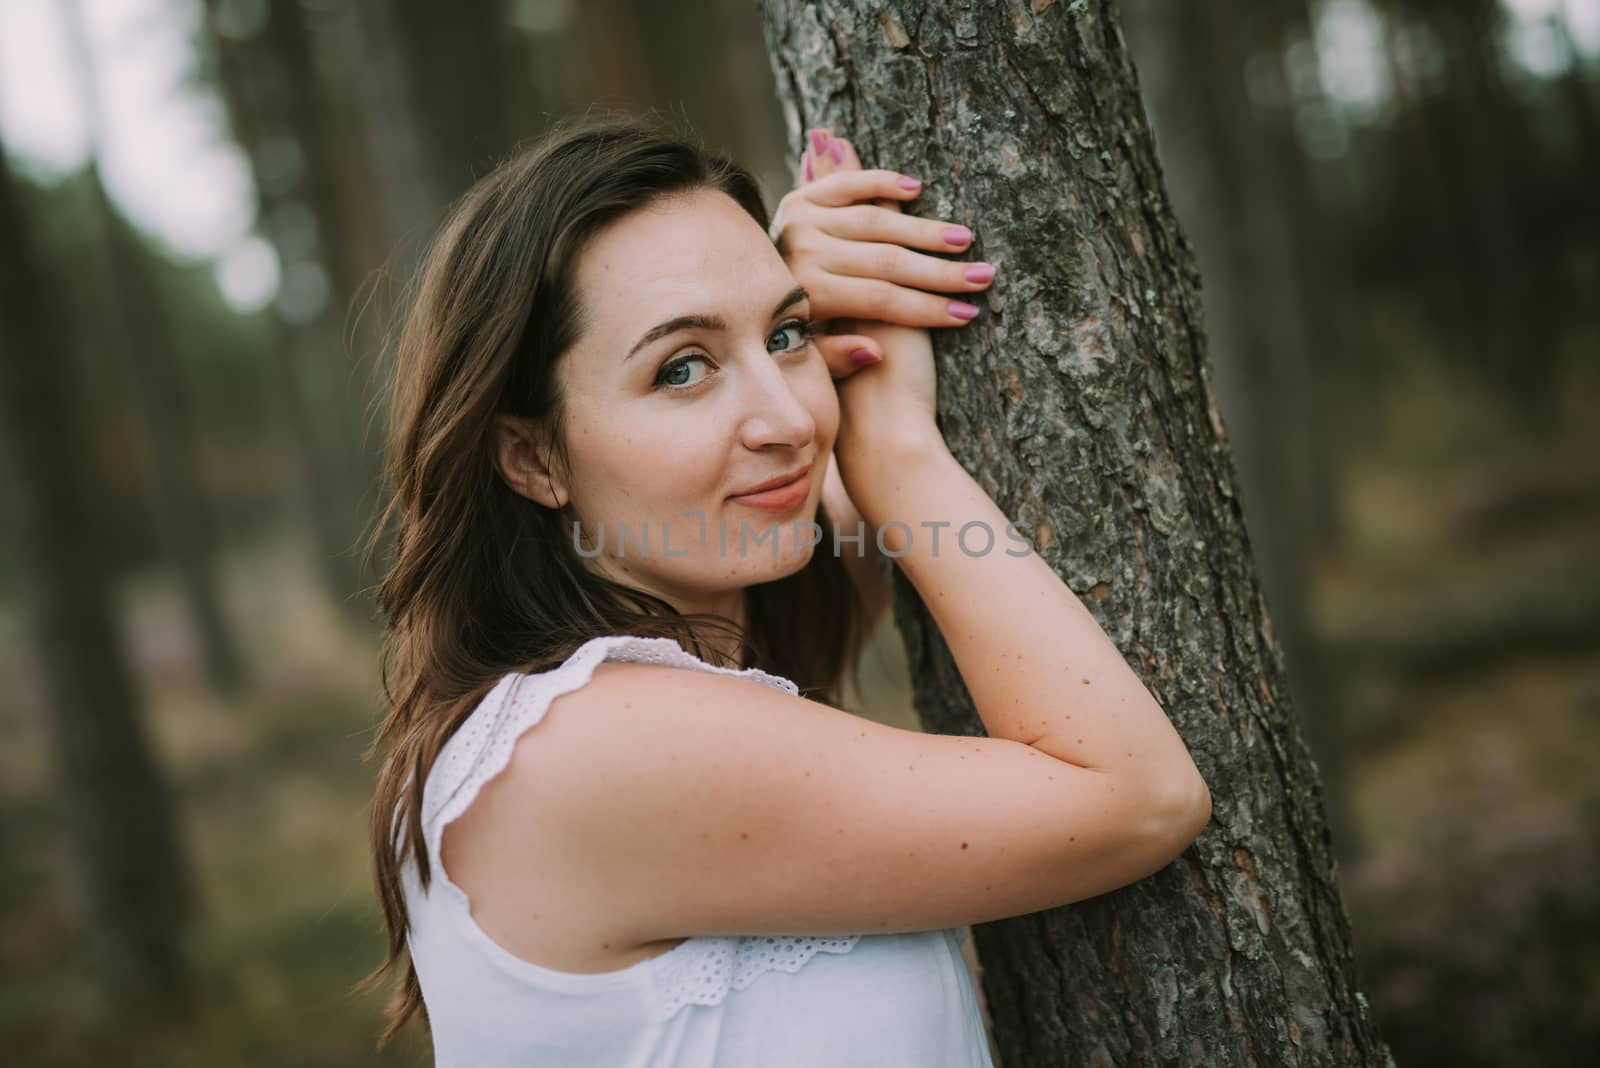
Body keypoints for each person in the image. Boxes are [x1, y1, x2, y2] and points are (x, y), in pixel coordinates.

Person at [357, 112, 1211, 1067]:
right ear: (532, 454)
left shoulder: (606, 683)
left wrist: (810, 266)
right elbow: (1140, 798)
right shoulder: (590, 747)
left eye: (789, 334)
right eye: (683, 368)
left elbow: (839, 529)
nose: (790, 419)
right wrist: (897, 450)